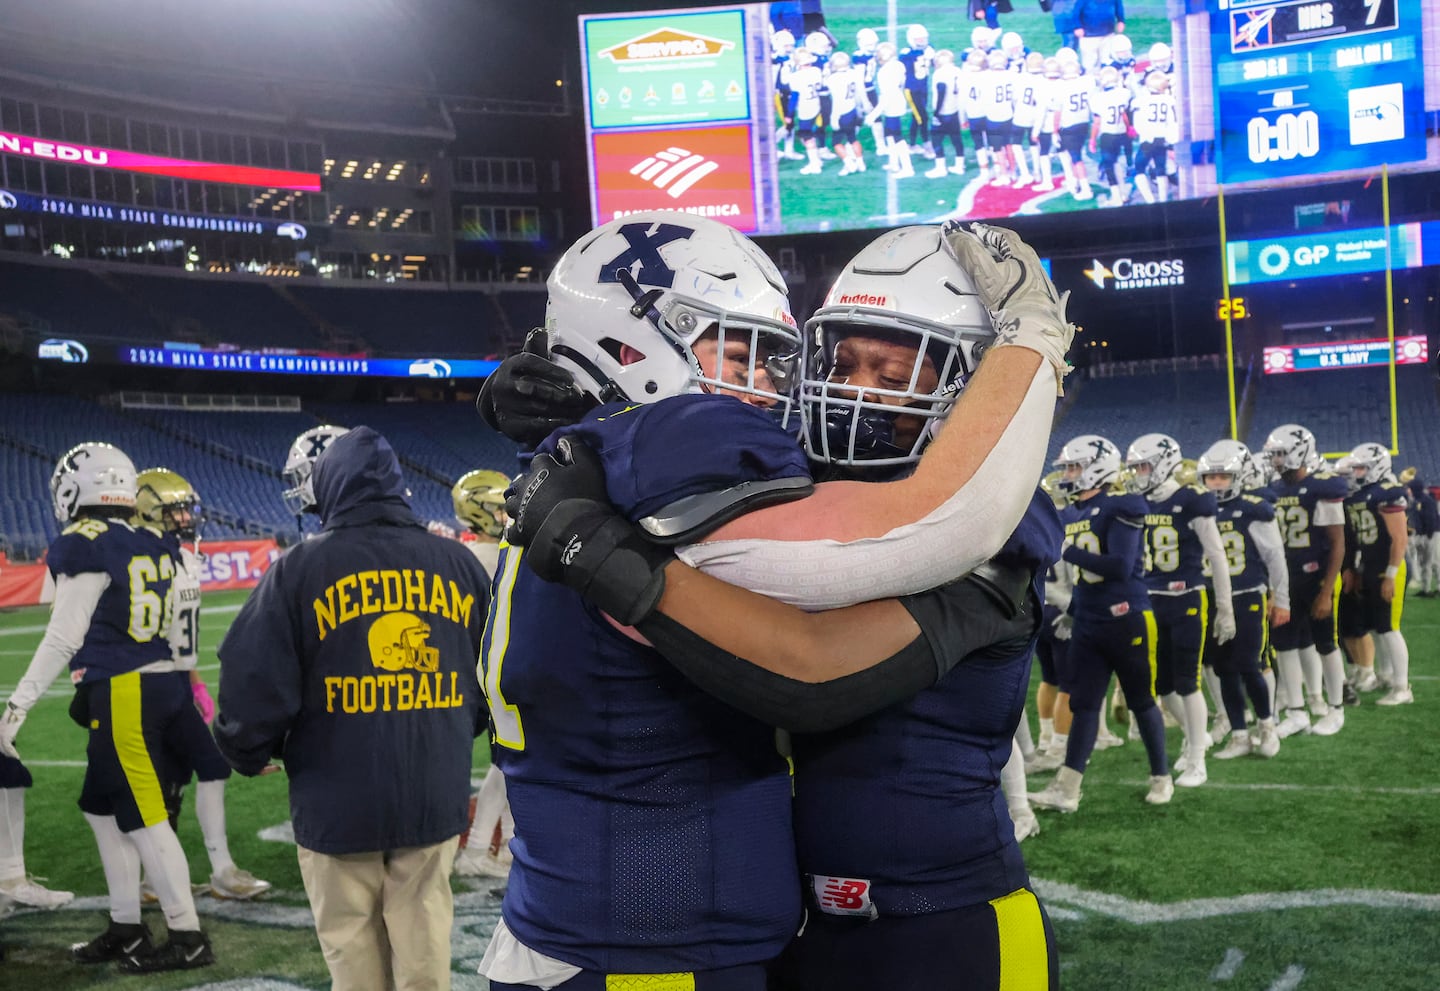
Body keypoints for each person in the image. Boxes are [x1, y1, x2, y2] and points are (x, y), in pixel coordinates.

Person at [473, 218, 1069, 988]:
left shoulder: (993, 522)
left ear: (971, 386)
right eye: (844, 363)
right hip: (744, 939)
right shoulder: (693, 462)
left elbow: (815, 667)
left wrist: (607, 548)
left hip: (941, 923)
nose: (852, 390)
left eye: (894, 375)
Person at [214, 427, 491, 991]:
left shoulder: (298, 569)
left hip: (335, 795)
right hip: (431, 788)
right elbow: (493, 676)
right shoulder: (458, 564)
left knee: (352, 953)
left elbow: (252, 677)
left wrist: (244, 747)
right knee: (425, 950)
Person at [0, 443, 212, 971]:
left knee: (144, 819)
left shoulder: (84, 542)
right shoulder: (150, 537)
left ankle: (188, 938)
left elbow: (62, 636)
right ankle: (126, 927)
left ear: (76, 489)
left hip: (126, 691)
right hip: (156, 683)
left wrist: (16, 707)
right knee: (101, 809)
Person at [133, 468, 272, 901]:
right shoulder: (138, 562)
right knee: (165, 780)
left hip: (177, 682)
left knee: (208, 769)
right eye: (175, 512)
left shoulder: (187, 558)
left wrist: (194, 684)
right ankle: (161, 877)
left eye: (186, 510)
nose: (185, 519)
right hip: (145, 683)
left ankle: (211, 870)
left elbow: (178, 633)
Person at [1030, 435, 1174, 813]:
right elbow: (1078, 575)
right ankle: (1068, 788)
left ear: (1097, 466)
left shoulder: (1121, 505)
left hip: (1127, 616)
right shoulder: (1071, 512)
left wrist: (1070, 551)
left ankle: (1162, 776)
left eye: (1075, 467)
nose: (1068, 474)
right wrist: (1073, 612)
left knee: (1142, 701)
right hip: (1089, 620)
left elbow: (1119, 565)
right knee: (1084, 704)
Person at [1124, 434, 1235, 788]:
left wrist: (1225, 608)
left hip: (1186, 597)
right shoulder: (1137, 501)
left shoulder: (1192, 499)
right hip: (1149, 599)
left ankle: (1198, 759)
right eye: (1136, 467)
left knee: (1188, 683)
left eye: (1144, 465)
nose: (1139, 473)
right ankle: (1194, 737)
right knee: (1162, 684)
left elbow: (1216, 555)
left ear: (1164, 463)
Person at [1195, 441, 1289, 759]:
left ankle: (1267, 726)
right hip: (1212, 598)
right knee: (1223, 669)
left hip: (1248, 595)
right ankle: (1238, 733)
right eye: (1211, 476)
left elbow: (1275, 557)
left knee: (1249, 665)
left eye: (1223, 476)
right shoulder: (1199, 508)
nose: (1216, 482)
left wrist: (1283, 599)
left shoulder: (1254, 507)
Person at [450, 469, 519, 881]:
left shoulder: (466, 557)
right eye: (497, 507)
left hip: (485, 670)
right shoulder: (492, 557)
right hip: (497, 670)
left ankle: (508, 842)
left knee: (510, 759)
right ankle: (477, 848)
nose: (505, 513)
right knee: (508, 760)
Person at [1260, 424, 1348, 736]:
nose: (1276, 461)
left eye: (1281, 454)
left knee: (1325, 643)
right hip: (1286, 579)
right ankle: (1297, 711)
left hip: (1315, 577)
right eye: (1274, 455)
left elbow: (1337, 544)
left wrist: (1326, 592)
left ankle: (1336, 709)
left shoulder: (1321, 487)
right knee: (1284, 645)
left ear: (1299, 452)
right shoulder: (1274, 490)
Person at [1341, 444, 1413, 705]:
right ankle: (1385, 676)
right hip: (1370, 567)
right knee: (1377, 627)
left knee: (1390, 628)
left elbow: (1399, 538)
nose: (1357, 473)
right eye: (1356, 467)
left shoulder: (1387, 493)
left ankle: (1403, 687)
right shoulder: (1359, 496)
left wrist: (1391, 574)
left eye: (1362, 468)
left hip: (1387, 566)